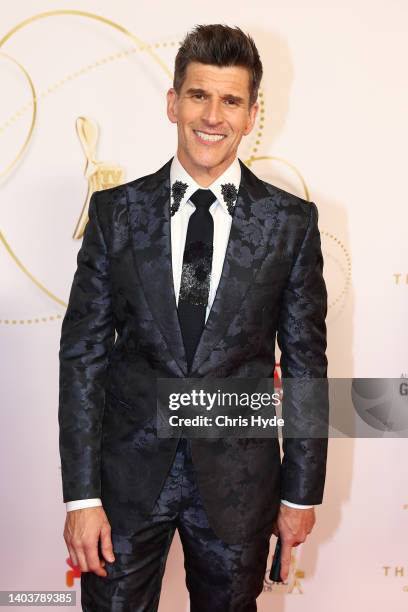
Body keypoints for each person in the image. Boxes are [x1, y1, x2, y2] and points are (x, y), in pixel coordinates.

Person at [59, 23, 329, 611]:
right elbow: (83, 359)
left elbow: (306, 365)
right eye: (199, 95)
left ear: (252, 112)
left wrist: (301, 494)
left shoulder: (291, 224)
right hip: (125, 483)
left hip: (239, 484)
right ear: (172, 102)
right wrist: (81, 498)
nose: (213, 115)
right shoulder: (115, 215)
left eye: (231, 100)